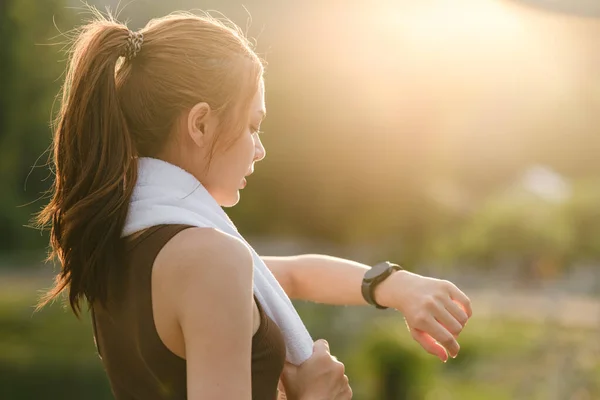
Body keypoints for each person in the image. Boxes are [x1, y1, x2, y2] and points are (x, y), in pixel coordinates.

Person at [35, 10, 472, 400]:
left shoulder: (126, 243)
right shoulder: (208, 259)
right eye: (252, 126)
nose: (259, 150)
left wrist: (394, 285)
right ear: (200, 123)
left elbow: (294, 275)